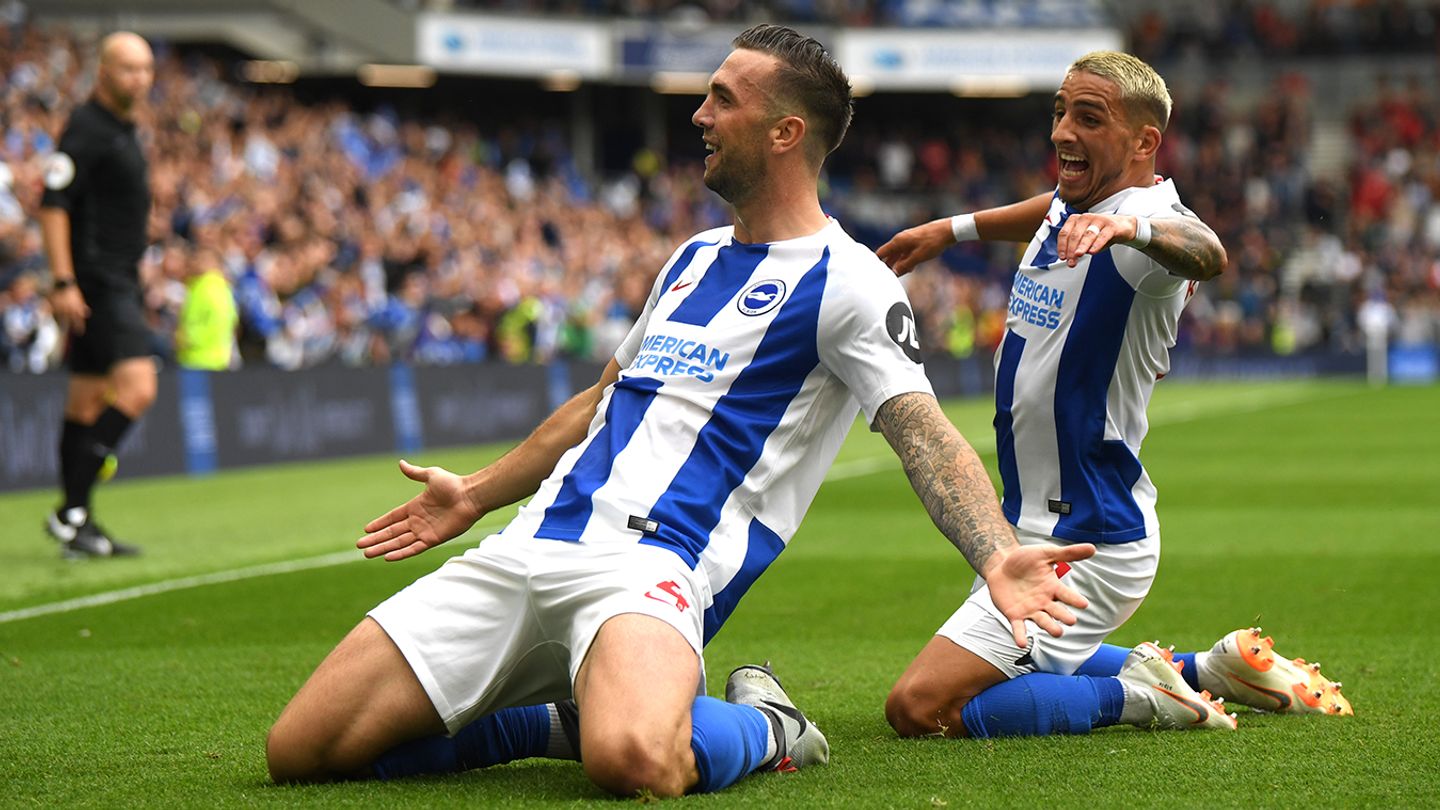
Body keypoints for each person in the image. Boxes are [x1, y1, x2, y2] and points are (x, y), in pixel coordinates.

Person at [264, 25, 1094, 798]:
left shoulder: (849, 281)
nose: (699, 115)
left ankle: (768, 723)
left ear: (785, 134)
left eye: (723, 99)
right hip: (529, 546)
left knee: (633, 761)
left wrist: (994, 556)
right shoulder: (693, 257)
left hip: (651, 565)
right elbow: (601, 401)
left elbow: (923, 432)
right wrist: (477, 494)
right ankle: (556, 723)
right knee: (302, 752)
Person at [876, 51, 1351, 742]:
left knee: (921, 708)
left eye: (1088, 118)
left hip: (1087, 538)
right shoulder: (1082, 201)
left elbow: (1208, 250)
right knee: (1003, 671)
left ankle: (1146, 698)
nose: (1062, 131)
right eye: (1060, 112)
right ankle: (1206, 670)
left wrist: (1131, 228)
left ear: (1144, 142)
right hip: (1033, 529)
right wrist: (950, 231)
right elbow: (1045, 213)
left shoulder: (1145, 226)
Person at [39, 31, 156, 558]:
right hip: (97, 283)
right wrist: (63, 281)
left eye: (146, 68)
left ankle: (75, 517)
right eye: (129, 68)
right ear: (104, 72)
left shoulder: (123, 129)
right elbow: (53, 203)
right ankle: (70, 513)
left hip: (117, 280)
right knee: (138, 388)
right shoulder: (87, 127)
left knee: (86, 402)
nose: (140, 78)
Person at [175, 244, 239, 370]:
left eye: (198, 259)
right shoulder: (223, 288)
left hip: (199, 359)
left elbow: (214, 319)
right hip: (217, 359)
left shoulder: (206, 287)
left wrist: (187, 338)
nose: (193, 262)